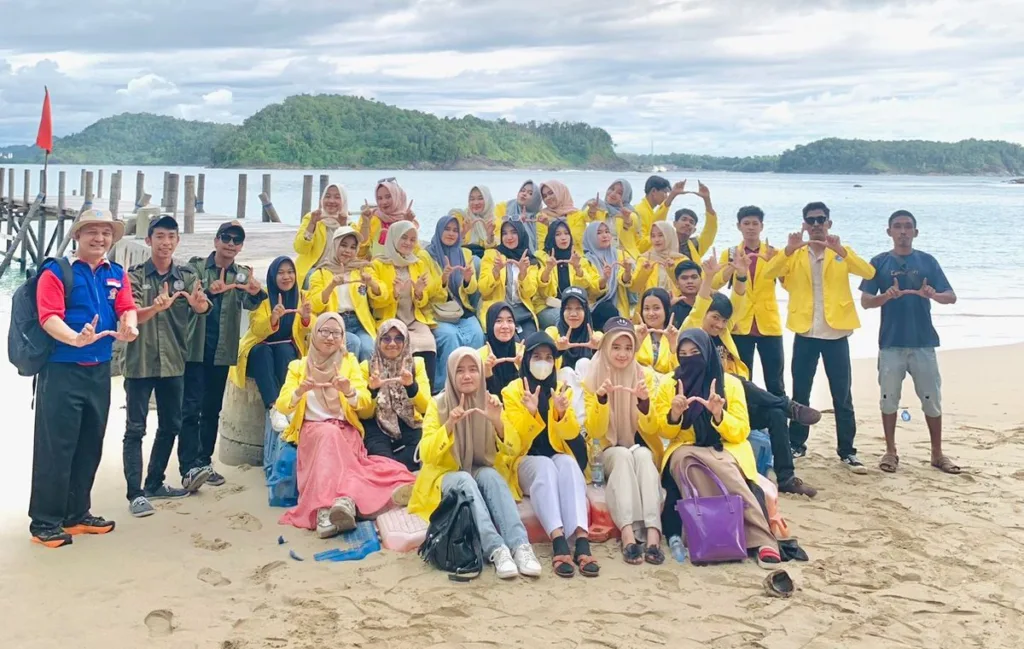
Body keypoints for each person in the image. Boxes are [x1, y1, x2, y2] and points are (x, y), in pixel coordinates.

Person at [30, 208, 138, 548]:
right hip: (62, 370)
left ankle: (77, 514)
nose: (99, 238)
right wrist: (75, 338)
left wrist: (130, 326)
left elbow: (127, 307)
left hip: (99, 371)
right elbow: (48, 317)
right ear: (77, 235)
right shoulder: (57, 271)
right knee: (56, 448)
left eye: (106, 232)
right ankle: (45, 523)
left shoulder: (116, 273)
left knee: (90, 442)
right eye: (92, 231)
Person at [687, 257, 820, 497]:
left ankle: (787, 478)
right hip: (707, 406)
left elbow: (738, 302)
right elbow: (700, 306)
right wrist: (708, 278)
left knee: (775, 414)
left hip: (734, 403)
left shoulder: (724, 334)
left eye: (723, 321)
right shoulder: (693, 332)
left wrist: (741, 274)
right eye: (714, 317)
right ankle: (788, 405)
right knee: (734, 380)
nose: (719, 324)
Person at [276, 313, 415, 538]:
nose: (330, 338)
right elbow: (283, 405)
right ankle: (326, 509)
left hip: (346, 431)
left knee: (377, 468)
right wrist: (299, 391)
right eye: (325, 331)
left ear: (343, 337)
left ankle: (341, 504)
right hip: (314, 432)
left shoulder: (348, 363)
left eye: (336, 333)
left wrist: (348, 391)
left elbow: (365, 403)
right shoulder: (298, 367)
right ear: (314, 334)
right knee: (328, 435)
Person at [409, 348, 543, 579]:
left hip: (479, 469)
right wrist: (449, 424)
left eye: (473, 369)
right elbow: (428, 454)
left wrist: (496, 420)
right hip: (446, 475)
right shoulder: (438, 404)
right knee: (464, 479)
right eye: (460, 371)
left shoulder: (490, 402)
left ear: (482, 373)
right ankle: (496, 549)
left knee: (491, 475)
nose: (467, 376)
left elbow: (512, 449)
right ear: (450, 374)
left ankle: (520, 546)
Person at [654, 328, 782, 570]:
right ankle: (713, 534)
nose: (689, 359)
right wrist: (674, 414)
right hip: (686, 447)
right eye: (683, 354)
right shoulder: (669, 384)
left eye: (695, 352)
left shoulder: (730, 383)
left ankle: (762, 540)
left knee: (726, 468)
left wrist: (718, 414)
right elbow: (664, 431)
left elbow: (741, 430)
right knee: (688, 461)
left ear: (707, 352)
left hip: (726, 447)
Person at [765, 202, 876, 472]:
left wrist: (840, 251)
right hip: (805, 331)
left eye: (821, 219)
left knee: (842, 394)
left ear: (829, 223)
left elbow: (869, 273)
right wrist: (788, 249)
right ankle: (796, 443)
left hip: (836, 333)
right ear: (804, 224)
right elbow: (768, 274)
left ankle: (847, 451)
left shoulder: (841, 251)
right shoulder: (794, 253)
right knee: (800, 392)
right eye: (811, 220)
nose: (816, 225)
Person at [123, 214, 213, 519]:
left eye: (171, 237)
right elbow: (131, 314)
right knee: (135, 429)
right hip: (140, 361)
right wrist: (155, 307)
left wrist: (201, 306)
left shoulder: (186, 276)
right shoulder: (135, 276)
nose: (166, 243)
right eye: (160, 236)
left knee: (171, 424)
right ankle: (135, 494)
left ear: (177, 241)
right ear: (148, 240)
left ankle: (154, 483)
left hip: (173, 361)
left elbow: (201, 305)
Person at [860, 210, 958, 474]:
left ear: (915, 232)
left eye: (907, 226)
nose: (902, 231)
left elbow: (951, 296)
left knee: (931, 399)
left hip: (923, 342)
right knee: (888, 399)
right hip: (891, 343)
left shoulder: (927, 261)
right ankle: (891, 451)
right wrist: (886, 296)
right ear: (889, 231)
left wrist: (933, 294)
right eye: (897, 226)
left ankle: (937, 453)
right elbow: (866, 301)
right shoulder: (878, 262)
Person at [501, 334, 599, 578]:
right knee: (544, 466)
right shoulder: (512, 391)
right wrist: (531, 413)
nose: (543, 363)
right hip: (524, 460)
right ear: (526, 360)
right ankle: (558, 540)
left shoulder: (561, 389)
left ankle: (582, 539)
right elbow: (513, 441)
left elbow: (572, 434)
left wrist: (561, 413)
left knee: (569, 463)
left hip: (556, 456)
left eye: (548, 357)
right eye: (537, 357)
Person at [182, 221, 268, 487]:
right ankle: (188, 466)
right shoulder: (196, 267)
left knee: (211, 409)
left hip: (222, 351)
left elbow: (251, 303)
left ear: (241, 246)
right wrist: (210, 291)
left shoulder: (241, 274)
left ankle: (204, 462)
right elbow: (185, 296)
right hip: (194, 349)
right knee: (190, 409)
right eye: (226, 238)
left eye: (236, 240)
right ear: (216, 240)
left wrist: (257, 292)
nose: (231, 243)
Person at [582, 317, 663, 565]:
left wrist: (644, 402)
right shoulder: (593, 376)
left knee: (644, 456)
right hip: (604, 451)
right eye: (616, 347)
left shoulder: (642, 375)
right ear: (606, 346)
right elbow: (594, 431)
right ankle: (627, 533)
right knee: (621, 455)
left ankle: (653, 533)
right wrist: (602, 399)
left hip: (635, 445)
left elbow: (652, 427)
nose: (623, 354)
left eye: (628, 348)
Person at [230, 256, 313, 432]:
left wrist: (306, 319)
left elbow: (308, 330)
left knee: (284, 350)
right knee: (263, 351)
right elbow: (256, 329)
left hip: (285, 349)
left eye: (290, 272)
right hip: (258, 350)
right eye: (280, 273)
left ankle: (288, 404)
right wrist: (273, 318)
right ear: (273, 276)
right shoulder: (263, 296)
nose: (286, 277)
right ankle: (274, 406)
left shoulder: (301, 296)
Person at [712, 206, 786, 397]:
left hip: (769, 323)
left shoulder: (773, 252)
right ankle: (746, 416)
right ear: (739, 226)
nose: (751, 227)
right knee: (742, 379)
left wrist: (775, 264)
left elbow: (787, 284)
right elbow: (716, 282)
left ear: (762, 226)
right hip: (740, 322)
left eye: (755, 223)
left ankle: (779, 416)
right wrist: (732, 266)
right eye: (746, 223)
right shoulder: (731, 253)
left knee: (775, 381)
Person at [370, 221, 442, 392]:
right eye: (404, 238)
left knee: (428, 342)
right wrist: (394, 293)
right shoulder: (378, 264)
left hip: (413, 319)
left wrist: (419, 293)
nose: (408, 243)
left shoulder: (417, 264)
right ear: (394, 238)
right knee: (408, 343)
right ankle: (403, 391)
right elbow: (375, 302)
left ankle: (426, 392)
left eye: (412, 239)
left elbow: (423, 301)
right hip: (390, 319)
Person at [361, 319, 431, 471]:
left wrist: (411, 386)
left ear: (406, 341)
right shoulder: (367, 367)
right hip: (377, 425)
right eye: (386, 338)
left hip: (410, 423)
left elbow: (426, 407)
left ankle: (397, 473)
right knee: (381, 463)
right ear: (378, 341)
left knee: (420, 454)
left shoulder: (416, 365)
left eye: (399, 338)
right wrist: (372, 390)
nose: (392, 343)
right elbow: (364, 414)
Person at [307, 227, 383, 363]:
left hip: (360, 322)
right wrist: (332, 285)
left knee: (368, 348)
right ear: (334, 245)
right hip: (334, 324)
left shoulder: (362, 269)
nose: (348, 251)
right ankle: (346, 376)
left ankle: (368, 377)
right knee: (353, 343)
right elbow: (315, 305)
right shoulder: (321, 273)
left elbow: (382, 297)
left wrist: (371, 283)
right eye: (343, 245)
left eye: (353, 247)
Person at [425, 215, 485, 386]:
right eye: (447, 229)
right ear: (439, 231)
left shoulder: (465, 254)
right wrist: (443, 279)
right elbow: (427, 293)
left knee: (477, 334)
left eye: (455, 230)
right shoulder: (426, 256)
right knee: (450, 336)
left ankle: (475, 384)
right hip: (436, 311)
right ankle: (444, 386)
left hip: (461, 310)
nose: (451, 234)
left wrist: (467, 279)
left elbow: (471, 290)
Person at [479, 221, 541, 339]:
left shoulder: (530, 261)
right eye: (505, 233)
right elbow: (483, 290)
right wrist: (496, 272)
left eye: (513, 232)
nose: (509, 237)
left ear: (521, 234)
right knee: (513, 341)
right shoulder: (492, 255)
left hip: (523, 313)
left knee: (530, 342)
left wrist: (523, 273)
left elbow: (529, 293)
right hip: (498, 311)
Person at [535, 219, 599, 329]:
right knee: (564, 318)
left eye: (566, 233)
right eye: (558, 234)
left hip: (575, 306)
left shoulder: (578, 258)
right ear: (551, 237)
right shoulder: (541, 258)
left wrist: (577, 268)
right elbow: (543, 293)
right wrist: (548, 269)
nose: (563, 238)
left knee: (601, 312)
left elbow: (584, 289)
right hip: (547, 306)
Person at [293, 183, 349, 284]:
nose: (331, 201)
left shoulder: (349, 224)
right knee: (314, 279)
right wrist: (312, 224)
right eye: (327, 196)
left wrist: (343, 226)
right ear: (322, 199)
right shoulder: (311, 218)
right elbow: (300, 249)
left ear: (343, 201)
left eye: (337, 197)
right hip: (313, 269)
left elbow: (352, 254)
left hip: (339, 270)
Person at [583, 221, 635, 318]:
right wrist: (604, 279)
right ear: (590, 237)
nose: (605, 236)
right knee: (606, 309)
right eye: (599, 233)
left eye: (607, 232)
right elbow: (591, 291)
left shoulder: (621, 255)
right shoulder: (585, 260)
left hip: (619, 309)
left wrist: (627, 271)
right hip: (594, 309)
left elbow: (626, 281)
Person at [358, 179, 417, 259]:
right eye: (380, 198)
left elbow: (414, 253)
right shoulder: (371, 218)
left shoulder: (408, 219)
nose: (384, 202)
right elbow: (359, 250)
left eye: (388, 197)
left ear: (397, 197)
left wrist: (407, 224)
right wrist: (365, 223)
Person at [631, 221, 687, 299]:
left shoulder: (681, 260)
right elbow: (634, 288)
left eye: (661, 235)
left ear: (669, 236)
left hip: (676, 304)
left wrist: (672, 270)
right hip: (649, 304)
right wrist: (644, 272)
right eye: (653, 236)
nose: (656, 240)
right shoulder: (644, 259)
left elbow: (686, 287)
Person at [634, 175, 687, 253]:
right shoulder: (640, 211)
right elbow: (640, 245)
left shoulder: (647, 210)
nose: (666, 196)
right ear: (654, 191)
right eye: (665, 192)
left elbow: (658, 219)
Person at [482, 302, 524, 399]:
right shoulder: (480, 356)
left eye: (509, 320)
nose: (505, 326)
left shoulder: (523, 352)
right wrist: (487, 373)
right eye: (499, 321)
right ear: (490, 324)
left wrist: (523, 368)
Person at [635, 288, 682, 374]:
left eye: (656, 308)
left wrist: (673, 345)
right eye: (646, 308)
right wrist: (637, 342)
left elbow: (679, 370)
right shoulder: (633, 332)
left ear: (666, 309)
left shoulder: (676, 335)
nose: (651, 313)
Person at [671, 180, 718, 262]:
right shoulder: (663, 242)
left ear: (694, 230)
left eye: (691, 222)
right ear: (674, 224)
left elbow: (711, 229)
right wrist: (672, 195)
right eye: (684, 219)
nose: (687, 223)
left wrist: (706, 199)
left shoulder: (696, 245)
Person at [495, 180, 543, 252]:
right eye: (522, 191)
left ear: (535, 199)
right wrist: (516, 219)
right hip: (505, 253)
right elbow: (497, 231)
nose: (524, 194)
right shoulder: (503, 207)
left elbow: (542, 245)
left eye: (530, 193)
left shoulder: (540, 217)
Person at [454, 185, 497, 258]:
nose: (476, 203)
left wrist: (490, 236)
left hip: (486, 260)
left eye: (480, 198)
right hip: (463, 259)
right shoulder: (461, 217)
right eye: (472, 199)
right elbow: (451, 245)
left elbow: (497, 252)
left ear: (487, 200)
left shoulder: (495, 221)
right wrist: (462, 234)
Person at [536, 180, 580, 251]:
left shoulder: (577, 214)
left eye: (551, 193)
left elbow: (579, 239)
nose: (548, 198)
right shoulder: (542, 216)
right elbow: (542, 245)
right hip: (550, 256)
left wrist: (592, 211)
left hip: (578, 255)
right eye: (544, 196)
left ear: (560, 192)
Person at [671, 260, 702, 325]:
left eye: (694, 277)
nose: (690, 281)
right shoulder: (672, 307)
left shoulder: (711, 305)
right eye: (684, 278)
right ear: (677, 283)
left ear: (701, 280)